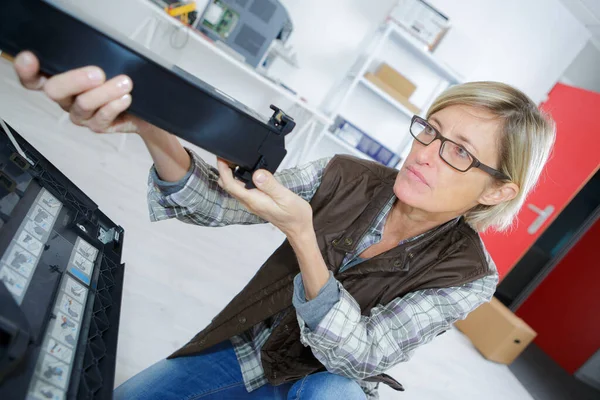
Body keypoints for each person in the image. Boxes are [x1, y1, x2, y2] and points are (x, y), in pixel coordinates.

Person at [13, 51, 555, 400]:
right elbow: (221, 205)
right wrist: (148, 125)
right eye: (430, 131)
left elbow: (362, 353)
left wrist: (303, 235)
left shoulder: (469, 275)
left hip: (328, 381)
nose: (426, 155)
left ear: (497, 190)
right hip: (254, 349)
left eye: (459, 151)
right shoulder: (346, 174)